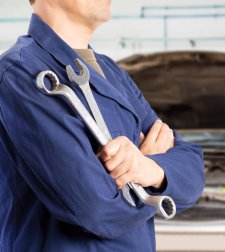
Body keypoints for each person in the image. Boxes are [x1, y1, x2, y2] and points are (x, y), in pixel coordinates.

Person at [0, 0, 205, 251]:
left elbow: (193, 170)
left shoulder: (113, 72)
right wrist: (153, 180)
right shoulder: (18, 74)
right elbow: (95, 208)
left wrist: (150, 168)